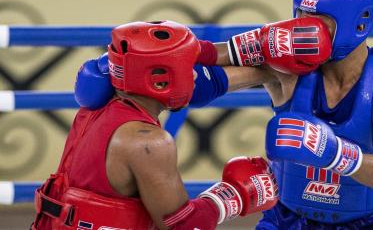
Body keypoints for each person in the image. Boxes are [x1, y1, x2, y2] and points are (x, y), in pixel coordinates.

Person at [74, 0, 373, 229]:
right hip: (287, 220)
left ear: (358, 24)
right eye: (299, 17)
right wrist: (124, 68)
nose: (301, 28)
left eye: (317, 20)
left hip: (368, 223)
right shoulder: (287, 68)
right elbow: (199, 84)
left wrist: (335, 153)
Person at [32, 21, 280, 230]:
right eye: (188, 69)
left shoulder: (98, 106)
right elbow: (183, 225)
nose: (195, 75)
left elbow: (204, 78)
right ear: (159, 84)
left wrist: (272, 62)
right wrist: (234, 195)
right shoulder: (147, 142)